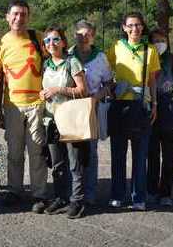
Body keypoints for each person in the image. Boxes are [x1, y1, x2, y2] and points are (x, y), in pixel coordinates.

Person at [0, 0, 48, 213]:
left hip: (37, 104)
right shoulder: (1, 43)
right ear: (7, 17)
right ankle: (14, 190)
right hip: (12, 105)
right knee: (14, 152)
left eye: (23, 14)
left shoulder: (39, 37)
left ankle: (39, 194)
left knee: (37, 152)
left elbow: (54, 59)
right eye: (15, 14)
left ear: (28, 17)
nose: (19, 18)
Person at [107, 12, 160, 211]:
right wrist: (112, 87)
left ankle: (139, 196)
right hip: (120, 106)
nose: (134, 29)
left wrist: (155, 104)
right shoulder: (116, 47)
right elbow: (106, 72)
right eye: (130, 25)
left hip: (141, 106)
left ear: (142, 27)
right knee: (118, 155)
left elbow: (152, 80)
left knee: (140, 156)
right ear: (123, 27)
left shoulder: (150, 49)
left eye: (138, 25)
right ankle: (117, 195)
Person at [40, 26, 89, 218]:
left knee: (75, 163)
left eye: (55, 39)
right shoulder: (46, 65)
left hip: (71, 119)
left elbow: (83, 90)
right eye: (47, 40)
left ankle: (77, 201)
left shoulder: (72, 62)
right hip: (51, 119)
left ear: (63, 42)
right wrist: (43, 93)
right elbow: (45, 89)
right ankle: (60, 197)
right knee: (57, 163)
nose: (51, 43)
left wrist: (59, 89)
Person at [69, 20, 113, 206]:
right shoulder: (67, 54)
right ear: (74, 35)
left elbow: (110, 83)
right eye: (80, 34)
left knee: (91, 152)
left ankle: (90, 192)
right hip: (70, 108)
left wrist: (97, 97)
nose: (83, 37)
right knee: (71, 152)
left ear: (93, 35)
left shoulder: (100, 57)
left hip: (91, 107)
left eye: (87, 34)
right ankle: (73, 191)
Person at [147, 29, 173, 206]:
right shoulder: (147, 57)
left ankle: (166, 192)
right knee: (151, 153)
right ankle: (151, 190)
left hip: (168, 106)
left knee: (169, 154)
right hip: (151, 105)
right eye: (156, 40)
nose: (160, 43)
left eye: (162, 40)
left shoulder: (172, 59)